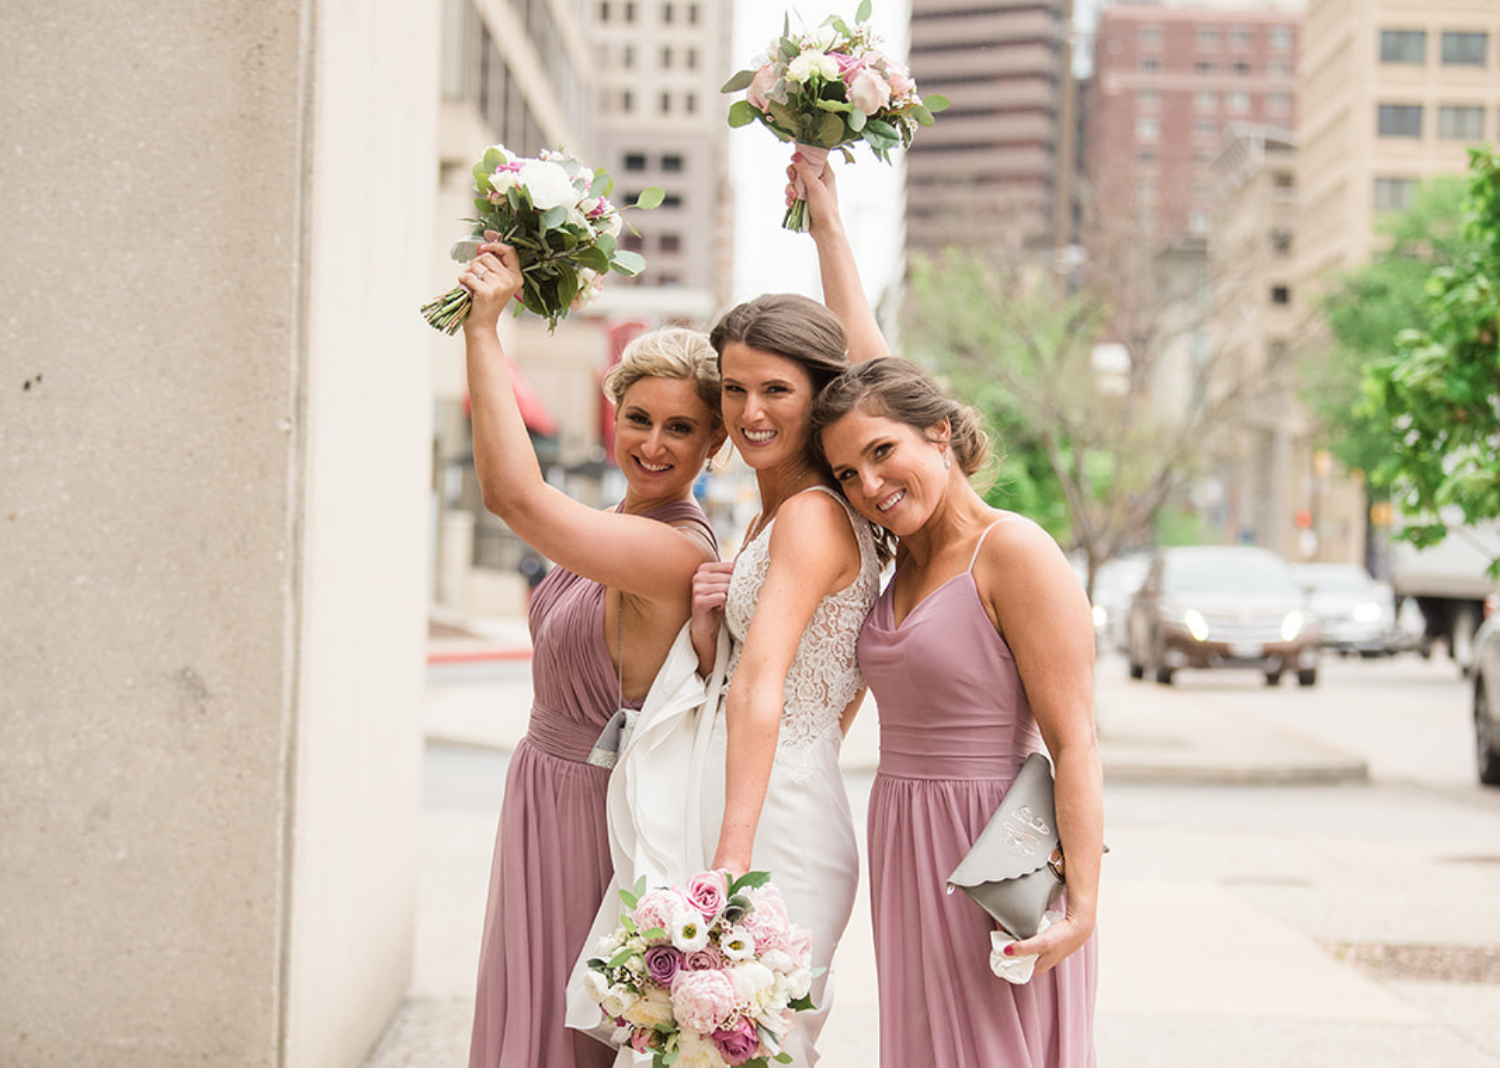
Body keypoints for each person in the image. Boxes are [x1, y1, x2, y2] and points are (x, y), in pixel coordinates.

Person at [459, 235, 727, 1068]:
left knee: (565, 1032)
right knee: (527, 1008)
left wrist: (481, 332)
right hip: (540, 784)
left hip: (594, 808)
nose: (653, 443)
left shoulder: (676, 550)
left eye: (681, 428)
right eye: (639, 418)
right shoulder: (617, 526)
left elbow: (512, 494)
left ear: (714, 444)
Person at [812, 357, 1103, 1067]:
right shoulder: (898, 563)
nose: (869, 484)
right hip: (904, 835)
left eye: (882, 452)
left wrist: (1084, 910)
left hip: (995, 847)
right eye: (848, 473)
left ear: (939, 433)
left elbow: (1076, 742)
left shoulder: (1013, 551)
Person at [682, 154, 890, 1067]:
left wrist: (728, 865)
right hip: (763, 791)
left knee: (749, 1042)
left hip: (772, 821)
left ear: (817, 397)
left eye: (776, 389)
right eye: (734, 389)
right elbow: (827, 686)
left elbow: (767, 682)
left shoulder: (810, 517)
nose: (750, 411)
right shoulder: (778, 514)